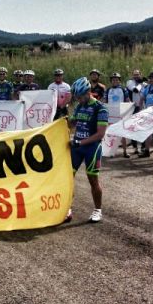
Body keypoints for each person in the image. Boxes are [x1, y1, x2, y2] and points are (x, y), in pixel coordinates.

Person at [67, 77, 108, 223]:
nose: (78, 99)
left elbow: (100, 134)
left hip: (92, 147)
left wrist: (80, 142)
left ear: (88, 92)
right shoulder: (79, 106)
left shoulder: (100, 108)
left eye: (80, 96)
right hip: (77, 147)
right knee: (68, 178)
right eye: (76, 97)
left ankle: (97, 210)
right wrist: (68, 120)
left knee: (93, 180)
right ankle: (67, 207)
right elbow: (72, 124)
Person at [106, 72, 133, 157]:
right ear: (111, 81)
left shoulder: (123, 89)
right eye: (113, 80)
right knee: (111, 134)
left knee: (122, 134)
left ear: (119, 81)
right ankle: (111, 152)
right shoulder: (108, 90)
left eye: (116, 80)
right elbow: (104, 101)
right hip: (111, 115)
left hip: (121, 115)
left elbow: (127, 100)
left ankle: (125, 151)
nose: (115, 81)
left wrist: (130, 107)